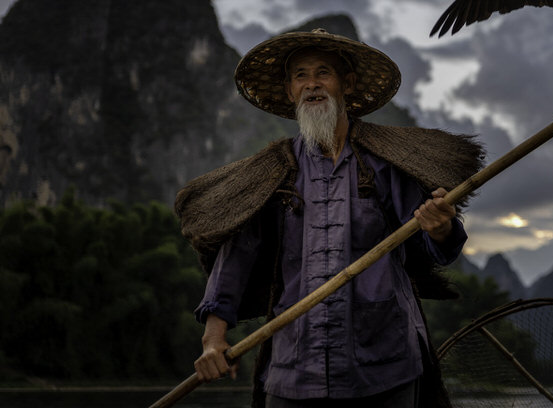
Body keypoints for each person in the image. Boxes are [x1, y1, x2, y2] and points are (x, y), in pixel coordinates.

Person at [175, 28, 484, 407]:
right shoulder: (275, 172)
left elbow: (437, 245)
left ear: (347, 84)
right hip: (294, 367)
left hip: (384, 364)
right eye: (300, 76)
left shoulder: (385, 164)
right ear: (290, 92)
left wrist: (440, 227)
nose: (312, 85)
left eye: (324, 73)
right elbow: (236, 257)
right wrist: (213, 339)